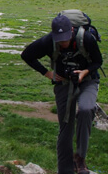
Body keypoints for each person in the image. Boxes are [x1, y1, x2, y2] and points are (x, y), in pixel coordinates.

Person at [21, 14, 103, 174]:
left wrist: (84, 72)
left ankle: (80, 159)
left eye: (65, 38)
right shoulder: (48, 41)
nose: (63, 43)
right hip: (63, 83)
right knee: (66, 126)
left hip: (88, 80)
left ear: (72, 30)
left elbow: (98, 62)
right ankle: (65, 170)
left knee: (87, 110)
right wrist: (47, 73)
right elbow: (26, 55)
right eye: (60, 39)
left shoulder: (86, 38)